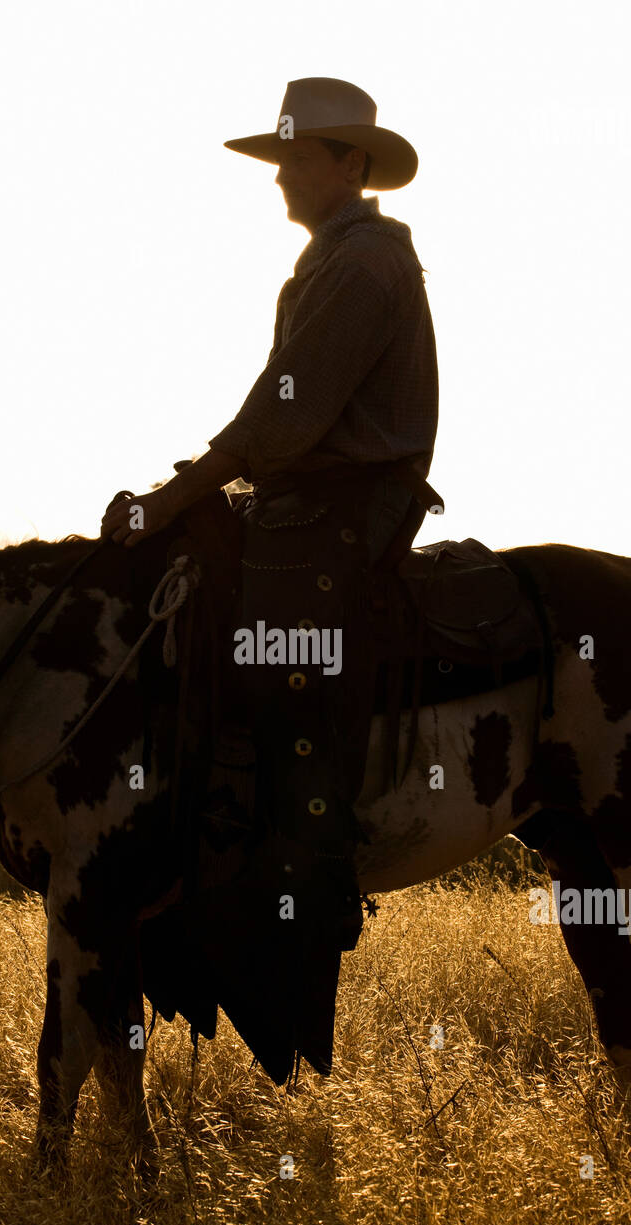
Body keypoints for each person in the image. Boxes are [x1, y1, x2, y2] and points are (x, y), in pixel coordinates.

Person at [102, 75, 439, 958]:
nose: (282, 177)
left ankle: (306, 860)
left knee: (270, 647)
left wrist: (175, 494)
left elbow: (283, 414)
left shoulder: (363, 263)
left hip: (348, 504)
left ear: (350, 163)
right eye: (281, 158)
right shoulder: (335, 257)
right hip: (310, 496)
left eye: (297, 158)